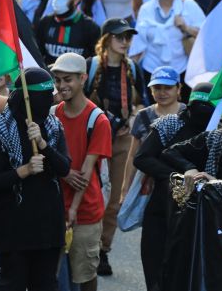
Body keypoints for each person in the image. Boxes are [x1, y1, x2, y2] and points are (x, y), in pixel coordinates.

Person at [0, 67, 71, 291]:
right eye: (41, 96)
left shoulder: (53, 126)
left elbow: (64, 167)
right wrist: (23, 171)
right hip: (14, 226)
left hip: (49, 225)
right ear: (25, 97)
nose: (46, 101)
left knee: (46, 284)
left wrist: (43, 145)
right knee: (13, 284)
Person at [131, 80, 212, 291]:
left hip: (198, 216)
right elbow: (142, 158)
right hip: (161, 206)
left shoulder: (218, 133)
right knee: (155, 268)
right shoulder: (170, 124)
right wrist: (177, 176)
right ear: (188, 103)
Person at [84, 18, 146, 276]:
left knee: (116, 198)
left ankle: (103, 250)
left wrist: (133, 117)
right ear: (107, 38)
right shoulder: (91, 66)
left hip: (121, 138)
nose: (125, 42)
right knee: (90, 192)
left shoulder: (132, 68)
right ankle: (83, 245)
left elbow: (142, 101)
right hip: (92, 137)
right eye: (120, 36)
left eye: (128, 37)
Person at [51, 53, 112, 291]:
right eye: (58, 80)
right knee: (55, 277)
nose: (62, 86)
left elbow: (85, 173)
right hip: (55, 208)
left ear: (83, 78)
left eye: (68, 79)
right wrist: (65, 173)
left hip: (84, 211)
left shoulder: (98, 120)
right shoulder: (53, 113)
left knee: (84, 274)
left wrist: (73, 210)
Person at [131, 0, 205, 100]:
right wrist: (130, 68)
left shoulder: (188, 5)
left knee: (181, 110)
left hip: (181, 69)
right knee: (155, 110)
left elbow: (205, 35)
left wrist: (186, 27)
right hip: (152, 69)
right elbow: (138, 42)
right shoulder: (146, 9)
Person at [36, 0, 101, 65]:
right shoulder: (45, 22)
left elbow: (95, 62)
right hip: (49, 77)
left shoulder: (90, 28)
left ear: (76, 0)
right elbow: (37, 55)